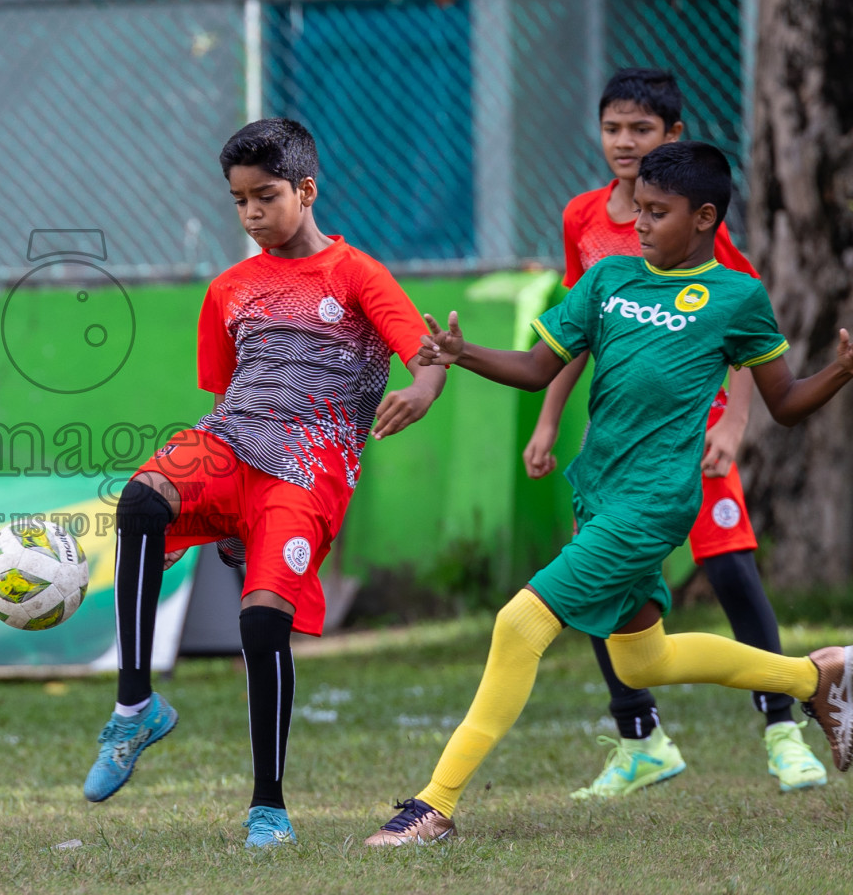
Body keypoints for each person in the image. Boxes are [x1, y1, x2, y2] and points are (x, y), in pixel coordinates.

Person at [366, 141, 853, 846]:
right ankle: (819, 678)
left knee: (518, 624)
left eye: (659, 212)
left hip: (654, 503)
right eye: (640, 211)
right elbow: (539, 367)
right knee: (641, 660)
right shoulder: (609, 280)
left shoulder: (738, 297)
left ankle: (433, 806)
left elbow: (783, 402)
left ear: (705, 217)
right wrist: (461, 354)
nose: (642, 224)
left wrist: (839, 373)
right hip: (597, 493)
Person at [79, 119, 447, 847]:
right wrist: (220, 513)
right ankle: (135, 707)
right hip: (230, 443)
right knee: (140, 500)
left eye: (266, 197)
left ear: (307, 190)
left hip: (308, 473)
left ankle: (268, 807)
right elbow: (225, 392)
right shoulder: (228, 289)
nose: (251, 215)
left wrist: (425, 389)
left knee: (261, 622)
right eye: (239, 202)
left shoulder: (357, 276)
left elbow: (427, 352)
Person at [525, 68, 825, 797]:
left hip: (699, 430)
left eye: (642, 130)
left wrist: (737, 425)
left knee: (728, 566)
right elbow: (575, 330)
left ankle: (783, 727)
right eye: (613, 128)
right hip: (620, 434)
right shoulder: (584, 221)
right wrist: (549, 418)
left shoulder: (696, 221)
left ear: (674, 138)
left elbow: (747, 336)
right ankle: (639, 738)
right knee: (600, 571)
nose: (624, 143)